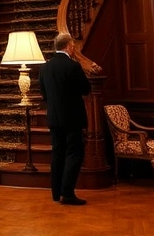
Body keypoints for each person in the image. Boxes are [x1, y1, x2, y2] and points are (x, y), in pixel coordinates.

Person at [39, 33, 91, 206]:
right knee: (75, 153)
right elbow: (86, 89)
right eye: (73, 45)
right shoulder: (73, 66)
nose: (74, 48)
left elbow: (44, 94)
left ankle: (56, 193)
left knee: (58, 153)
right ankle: (67, 192)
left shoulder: (44, 68)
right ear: (69, 46)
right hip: (73, 118)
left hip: (54, 117)